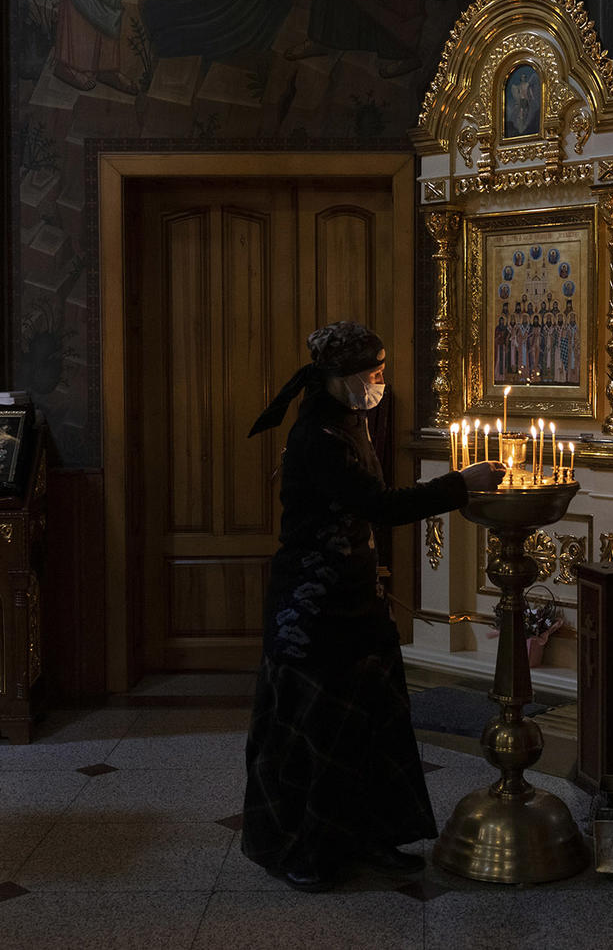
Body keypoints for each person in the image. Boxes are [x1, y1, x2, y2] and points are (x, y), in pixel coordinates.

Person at [243, 321, 502, 892]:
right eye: (373, 374)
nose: (380, 383)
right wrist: (461, 484)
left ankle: (369, 835)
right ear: (338, 378)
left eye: (383, 372)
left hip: (358, 599)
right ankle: (304, 849)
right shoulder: (317, 435)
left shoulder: (351, 419)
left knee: (374, 719)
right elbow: (378, 505)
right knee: (318, 729)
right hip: (312, 613)